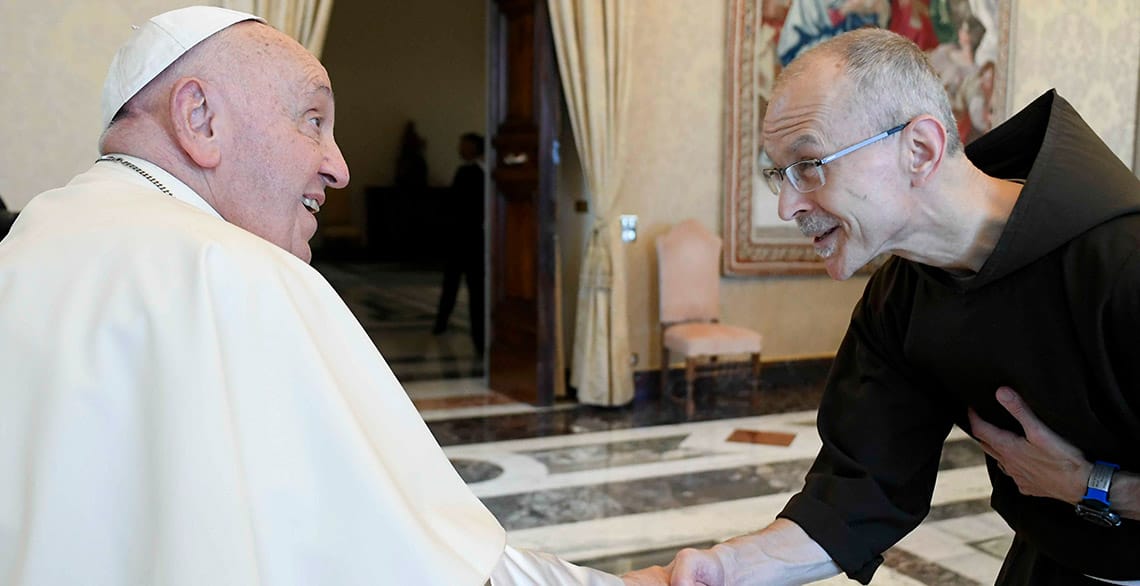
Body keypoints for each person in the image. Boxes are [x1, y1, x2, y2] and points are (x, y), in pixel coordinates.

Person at [0, 7, 623, 585]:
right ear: (200, 118)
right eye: (313, 121)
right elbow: (413, 563)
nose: (339, 167)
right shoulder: (235, 271)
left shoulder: (28, 241)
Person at [624, 27, 1139, 586]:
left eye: (809, 163)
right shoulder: (898, 300)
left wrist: (1091, 485)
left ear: (919, 150)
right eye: (779, 174)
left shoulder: (1125, 263)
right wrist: (723, 567)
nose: (787, 205)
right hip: (1053, 564)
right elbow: (856, 496)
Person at [432, 132, 486, 357]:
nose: (460, 149)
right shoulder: (472, 172)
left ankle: (445, 325)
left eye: (464, 145)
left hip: (466, 238)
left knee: (463, 286)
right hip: (470, 238)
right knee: (464, 286)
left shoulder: (470, 173)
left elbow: (457, 205)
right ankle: (471, 334)